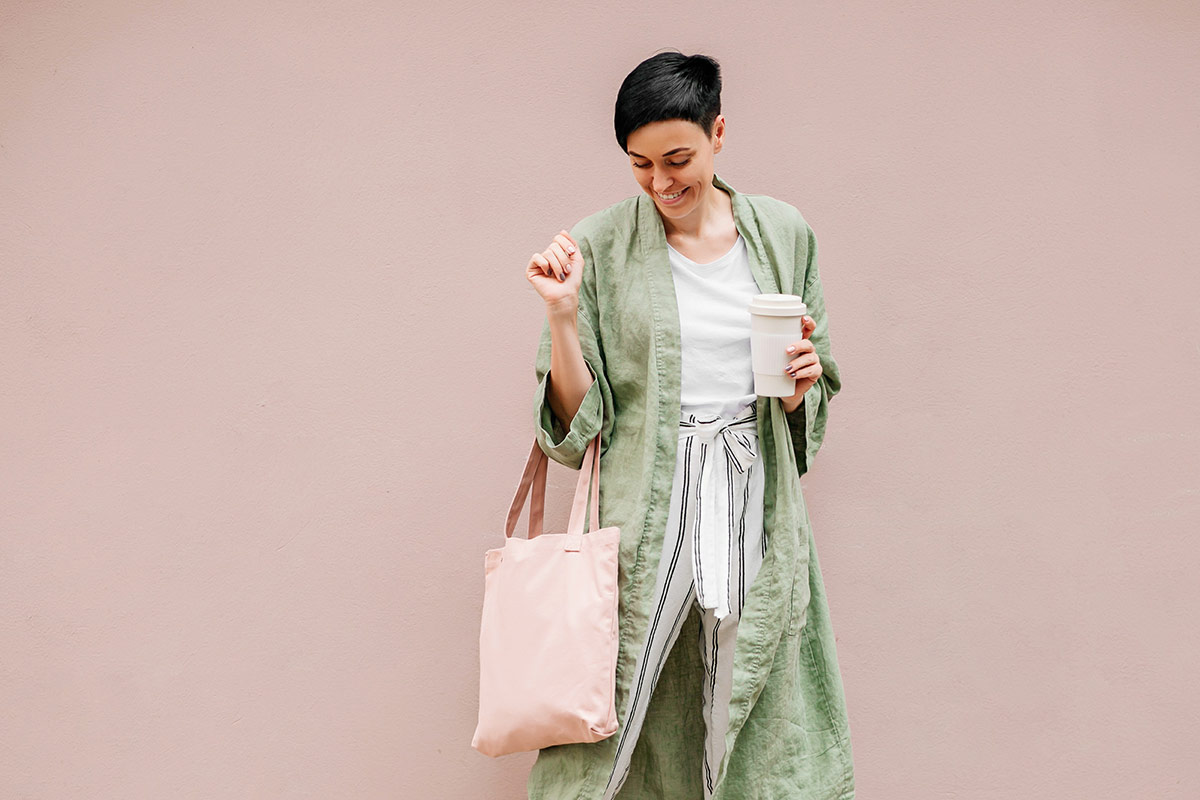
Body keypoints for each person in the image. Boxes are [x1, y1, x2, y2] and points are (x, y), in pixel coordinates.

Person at [523, 51, 855, 800]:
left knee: (741, 687)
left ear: (718, 134)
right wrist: (563, 314)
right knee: (615, 692)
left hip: (750, 485)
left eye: (678, 159)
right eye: (640, 165)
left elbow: (814, 393)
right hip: (650, 491)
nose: (661, 183)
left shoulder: (783, 233)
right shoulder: (600, 243)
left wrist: (801, 387)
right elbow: (576, 427)